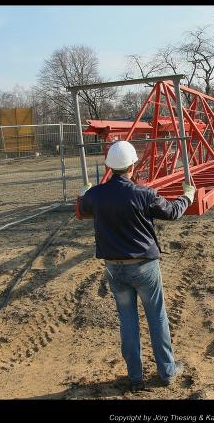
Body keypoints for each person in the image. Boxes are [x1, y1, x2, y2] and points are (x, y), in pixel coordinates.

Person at [79, 141, 196, 392]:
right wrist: (187, 196)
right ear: (133, 165)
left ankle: (135, 377)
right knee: (157, 318)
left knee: (127, 320)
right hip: (144, 267)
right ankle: (166, 372)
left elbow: (84, 207)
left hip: (114, 269)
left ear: (108, 166)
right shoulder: (144, 194)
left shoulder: (97, 195)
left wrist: (85, 193)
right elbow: (172, 212)